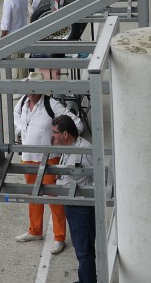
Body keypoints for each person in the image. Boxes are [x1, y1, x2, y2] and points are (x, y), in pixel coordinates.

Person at [14, 73, 84, 255]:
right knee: (33, 195)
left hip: (49, 159)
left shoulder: (51, 104)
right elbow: (16, 115)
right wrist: (21, 129)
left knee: (54, 199)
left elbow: (77, 124)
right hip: (28, 157)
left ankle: (59, 237)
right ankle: (35, 230)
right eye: (28, 87)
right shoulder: (22, 102)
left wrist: (61, 141)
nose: (30, 91)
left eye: (34, 87)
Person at [52, 114, 97, 283]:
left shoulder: (85, 150)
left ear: (65, 134)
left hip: (81, 208)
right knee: (81, 249)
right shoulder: (68, 146)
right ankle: (86, 279)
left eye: (54, 132)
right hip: (71, 206)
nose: (52, 135)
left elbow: (98, 177)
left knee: (84, 251)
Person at [1, 0, 29, 78]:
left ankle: (20, 82)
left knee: (17, 63)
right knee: (20, 60)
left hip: (13, 36)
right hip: (24, 33)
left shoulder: (9, 0)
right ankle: (21, 80)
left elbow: (6, 23)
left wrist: (3, 36)